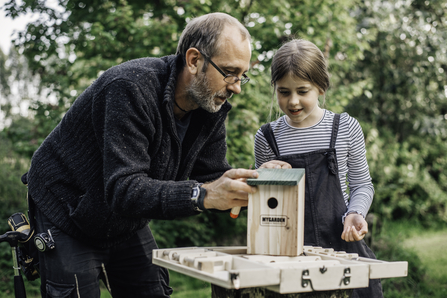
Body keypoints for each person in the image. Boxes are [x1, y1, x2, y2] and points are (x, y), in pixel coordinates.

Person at [24, 12, 258, 298]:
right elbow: (125, 188)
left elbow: (211, 177)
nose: (236, 87)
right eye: (229, 72)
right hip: (67, 209)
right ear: (194, 60)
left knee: (153, 290)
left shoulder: (210, 107)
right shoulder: (129, 87)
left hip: (124, 218)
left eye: (242, 77)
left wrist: (260, 185)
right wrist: (201, 195)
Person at [253, 39, 383, 297]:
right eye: (284, 91)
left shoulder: (345, 127)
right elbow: (262, 205)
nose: (293, 102)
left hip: (343, 248)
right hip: (288, 254)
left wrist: (356, 213)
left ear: (321, 87)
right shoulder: (267, 137)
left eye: (302, 91)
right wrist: (262, 176)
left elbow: (362, 184)